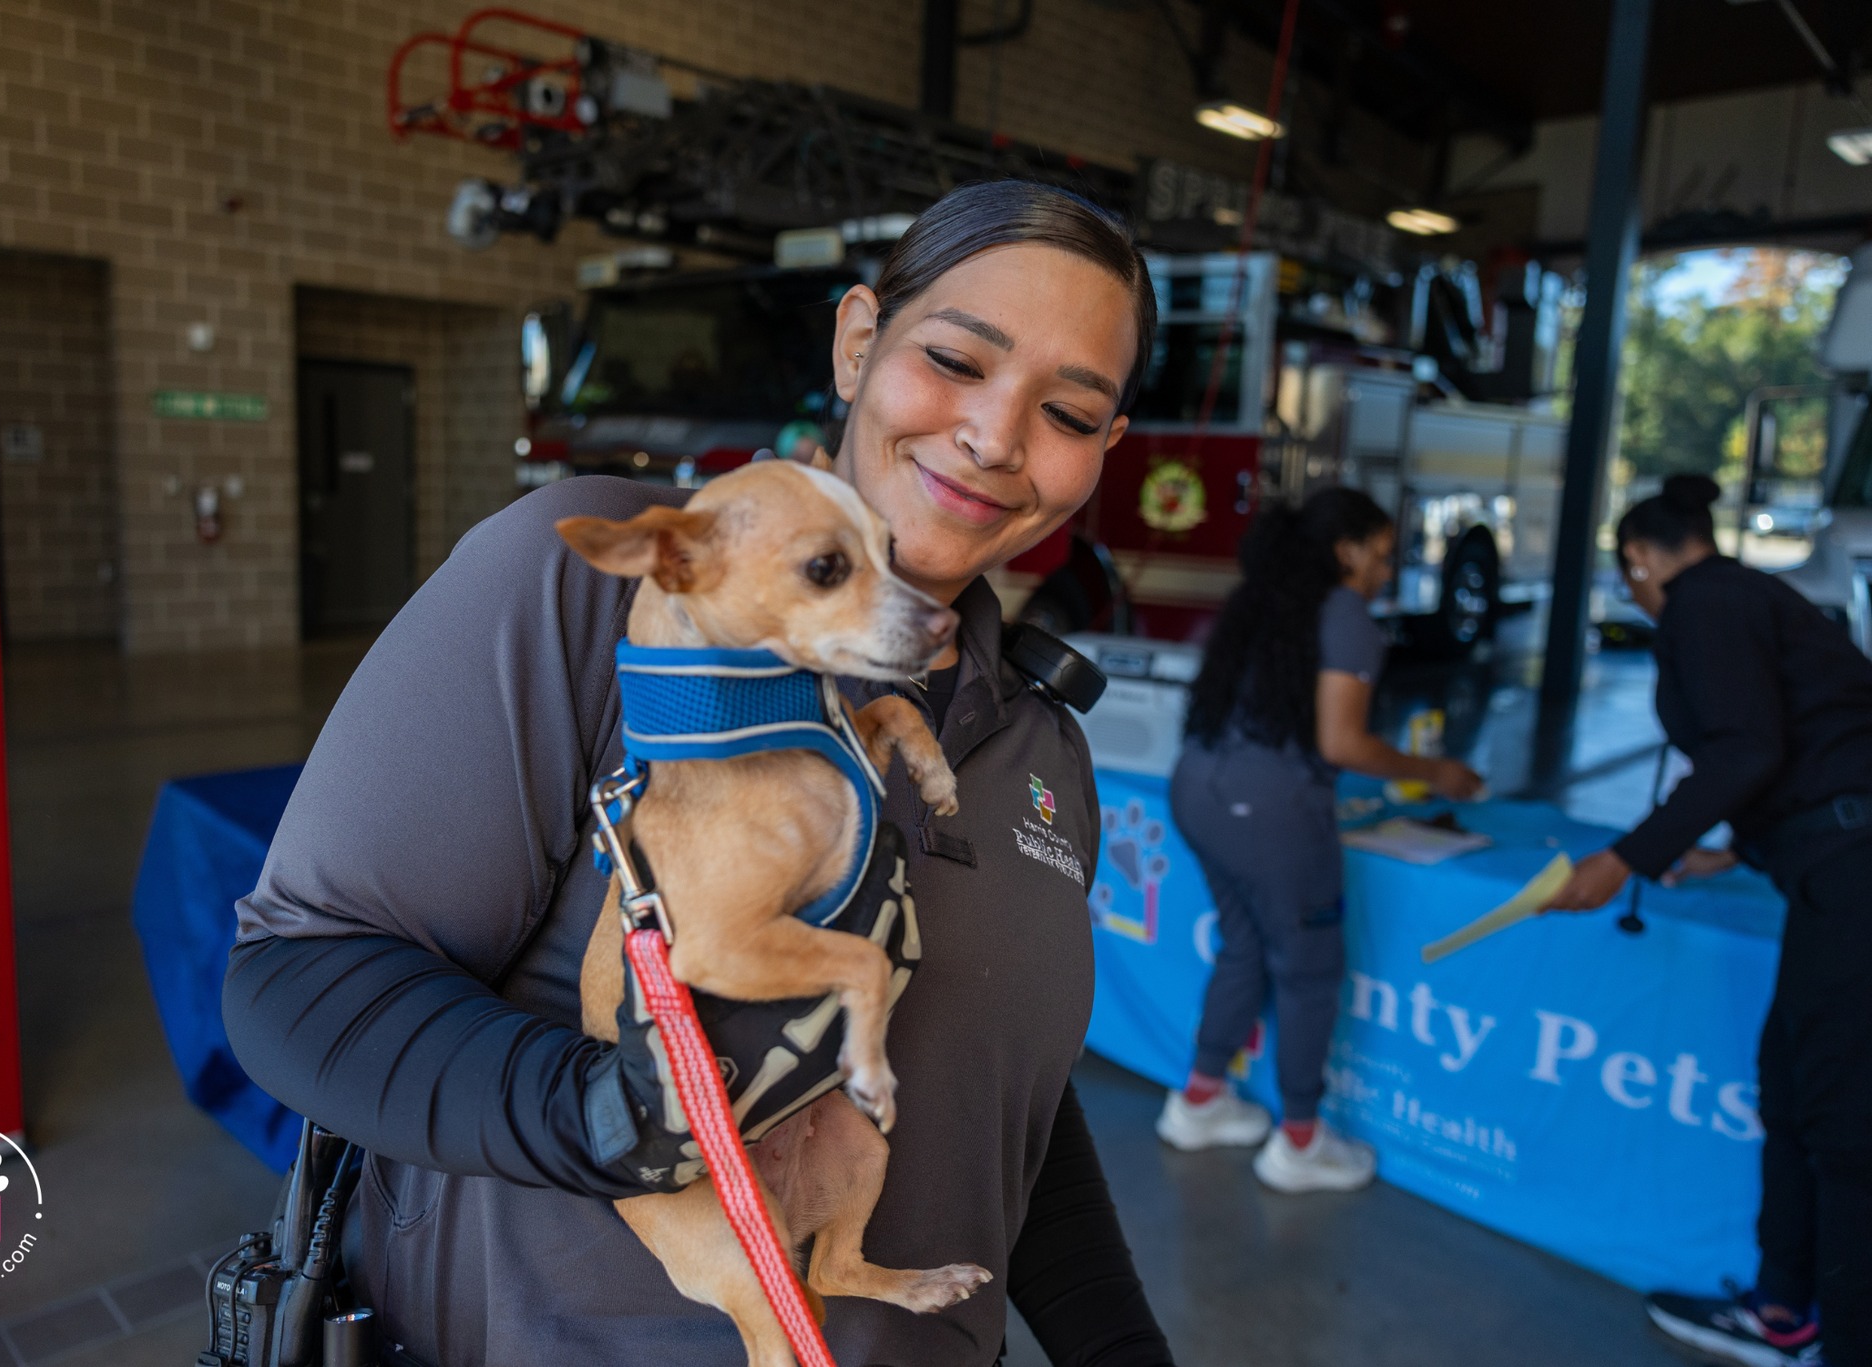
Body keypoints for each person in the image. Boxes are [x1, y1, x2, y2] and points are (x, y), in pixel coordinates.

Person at [222, 181, 1178, 1367]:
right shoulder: (601, 590)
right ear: (856, 342)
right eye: (951, 359)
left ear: (1103, 449)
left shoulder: (1040, 743)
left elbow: (997, 1086)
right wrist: (601, 1116)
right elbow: (299, 970)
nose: (993, 435)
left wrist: (1119, 1345)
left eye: (1068, 410)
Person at [1544, 474, 1872, 1367]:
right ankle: (1784, 1310)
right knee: (1792, 1087)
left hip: (1854, 882)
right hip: (1830, 867)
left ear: (1638, 559)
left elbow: (1746, 746)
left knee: (1843, 1124)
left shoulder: (1702, 604)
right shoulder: (1749, 594)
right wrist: (1740, 848)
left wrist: (1626, 856)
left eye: (1628, 579)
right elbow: (1804, 748)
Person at [1156, 488, 1484, 1191]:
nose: (1387, 571)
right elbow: (1342, 741)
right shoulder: (1346, 614)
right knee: (1309, 971)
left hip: (1198, 788)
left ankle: (1199, 1101)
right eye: (1381, 554)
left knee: (1244, 945)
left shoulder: (1264, 600)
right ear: (1346, 549)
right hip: (1266, 812)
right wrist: (1436, 772)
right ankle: (1300, 1143)